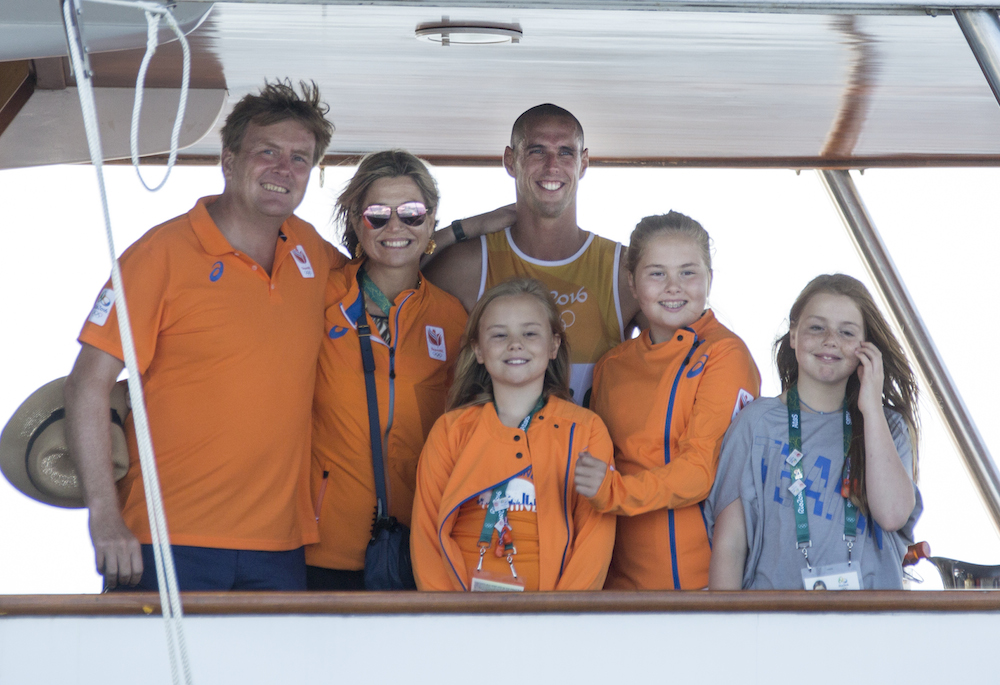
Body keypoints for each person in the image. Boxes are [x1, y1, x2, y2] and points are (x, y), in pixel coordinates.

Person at [64, 80, 343, 591]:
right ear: (229, 159)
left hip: (280, 548)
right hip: (166, 540)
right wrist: (103, 517)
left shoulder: (312, 252)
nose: (284, 169)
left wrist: (478, 227)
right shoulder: (160, 255)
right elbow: (87, 384)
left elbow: (392, 271)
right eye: (268, 152)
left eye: (300, 159)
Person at [573, 212, 760, 590]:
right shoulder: (611, 365)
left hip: (702, 588)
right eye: (657, 273)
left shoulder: (726, 354)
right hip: (616, 589)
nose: (674, 287)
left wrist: (614, 491)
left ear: (710, 278)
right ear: (632, 281)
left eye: (688, 273)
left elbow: (699, 473)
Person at [307, 150, 467, 590]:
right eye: (378, 215)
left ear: (432, 222)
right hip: (323, 547)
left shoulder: (453, 319)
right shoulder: (320, 298)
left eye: (412, 214)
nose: (396, 227)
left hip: (420, 547)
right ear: (356, 223)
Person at [705, 274, 921, 590]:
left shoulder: (887, 426)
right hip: (775, 625)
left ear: (866, 347)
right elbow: (730, 545)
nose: (830, 339)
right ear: (793, 335)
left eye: (846, 332)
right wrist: (725, 631)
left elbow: (891, 515)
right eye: (816, 327)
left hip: (870, 628)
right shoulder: (756, 423)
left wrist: (871, 407)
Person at [424, 104, 641, 406]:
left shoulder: (623, 270)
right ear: (510, 161)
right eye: (537, 151)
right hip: (491, 450)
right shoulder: (469, 264)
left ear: (584, 163)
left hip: (591, 451)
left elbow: (686, 348)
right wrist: (461, 229)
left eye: (566, 152)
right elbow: (388, 283)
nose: (552, 165)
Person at [411, 278, 616, 591]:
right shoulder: (451, 430)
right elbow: (426, 536)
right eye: (499, 335)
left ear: (554, 345)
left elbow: (594, 538)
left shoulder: (586, 430)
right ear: (478, 350)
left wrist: (562, 620)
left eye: (530, 333)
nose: (515, 344)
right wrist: (449, 618)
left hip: (551, 619)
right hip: (460, 615)